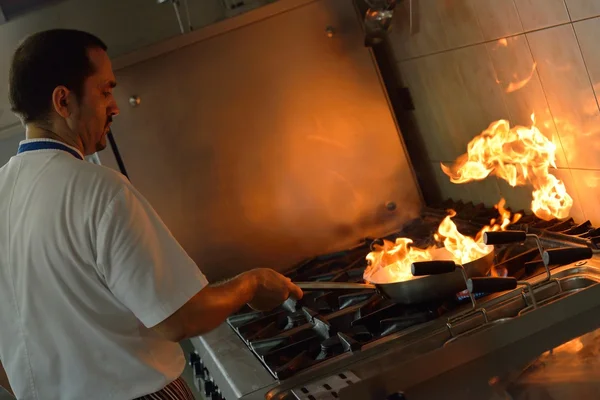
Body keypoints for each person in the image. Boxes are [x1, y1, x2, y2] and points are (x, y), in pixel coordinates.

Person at [0, 29, 303, 400]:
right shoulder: (98, 189)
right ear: (63, 100)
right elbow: (180, 317)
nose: (115, 106)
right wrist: (252, 284)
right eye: (105, 91)